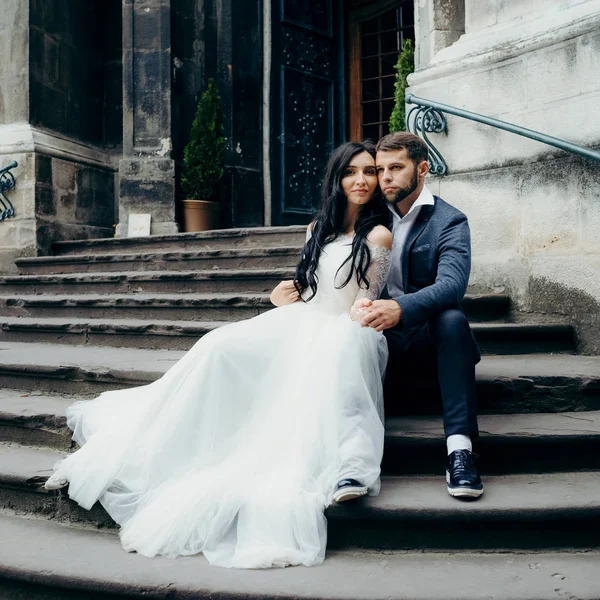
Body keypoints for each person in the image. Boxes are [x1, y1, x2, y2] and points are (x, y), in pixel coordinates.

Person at [43, 141, 393, 569]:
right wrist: (280, 295)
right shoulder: (316, 227)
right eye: (352, 172)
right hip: (302, 320)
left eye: (370, 172)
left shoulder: (378, 234)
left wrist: (355, 311)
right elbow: (308, 288)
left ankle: (347, 468)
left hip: (346, 330)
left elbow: (368, 299)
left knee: (336, 352)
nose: (362, 180)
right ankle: (160, 443)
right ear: (336, 179)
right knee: (218, 345)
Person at [351, 132, 483, 499]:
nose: (386, 177)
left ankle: (460, 452)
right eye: (381, 169)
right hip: (380, 340)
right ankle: (349, 455)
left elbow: (452, 286)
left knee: (452, 317)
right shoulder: (370, 216)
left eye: (396, 167)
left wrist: (401, 308)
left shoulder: (450, 221)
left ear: (422, 169)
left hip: (427, 339)